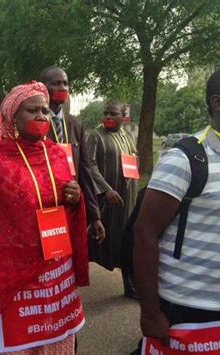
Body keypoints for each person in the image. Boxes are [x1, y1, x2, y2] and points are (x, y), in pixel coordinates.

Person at [0, 81, 89, 354]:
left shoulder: (55, 153)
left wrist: (74, 198)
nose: (41, 116)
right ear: (12, 116)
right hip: (13, 271)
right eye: (32, 110)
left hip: (55, 265)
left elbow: (66, 200)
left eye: (44, 111)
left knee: (54, 337)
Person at [133, 65, 220, 348]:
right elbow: (145, 234)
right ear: (218, 103)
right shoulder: (185, 160)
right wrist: (150, 313)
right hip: (187, 308)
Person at [40, 66, 106, 245]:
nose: (62, 88)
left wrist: (95, 216)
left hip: (72, 205)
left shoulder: (75, 124)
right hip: (44, 207)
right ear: (43, 88)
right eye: (55, 83)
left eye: (65, 83)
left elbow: (85, 171)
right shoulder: (35, 123)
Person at [87, 100, 139, 298]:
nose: (108, 117)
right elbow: (90, 165)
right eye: (105, 113)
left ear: (122, 116)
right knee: (100, 240)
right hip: (105, 201)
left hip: (127, 197)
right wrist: (106, 190)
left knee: (127, 241)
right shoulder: (96, 136)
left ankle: (129, 284)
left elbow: (134, 161)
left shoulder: (127, 136)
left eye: (113, 114)